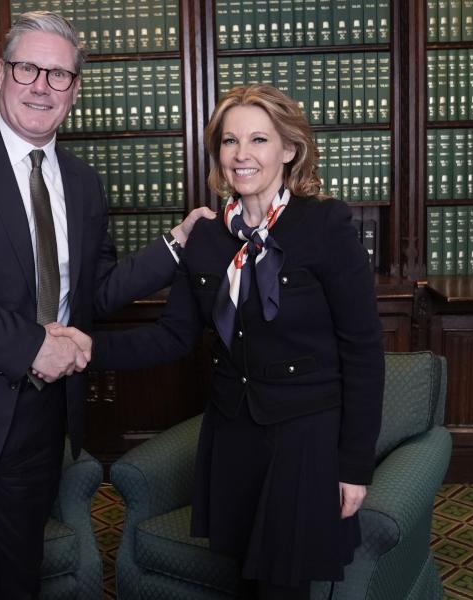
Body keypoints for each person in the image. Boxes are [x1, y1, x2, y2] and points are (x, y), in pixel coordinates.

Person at [0, 11, 213, 600]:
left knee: (18, 579)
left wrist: (175, 247)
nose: (41, 86)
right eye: (28, 67)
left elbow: (93, 291)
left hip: (37, 420)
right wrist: (33, 345)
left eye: (59, 75)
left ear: (75, 91)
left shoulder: (83, 183)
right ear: (1, 75)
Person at [74, 84, 385, 599]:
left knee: (282, 588)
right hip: (233, 433)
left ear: (289, 149)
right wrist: (83, 349)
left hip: (303, 436)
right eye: (229, 141)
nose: (242, 155)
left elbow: (363, 351)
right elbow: (172, 337)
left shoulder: (326, 224)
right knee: (244, 578)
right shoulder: (208, 238)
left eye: (259, 140)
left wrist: (354, 466)